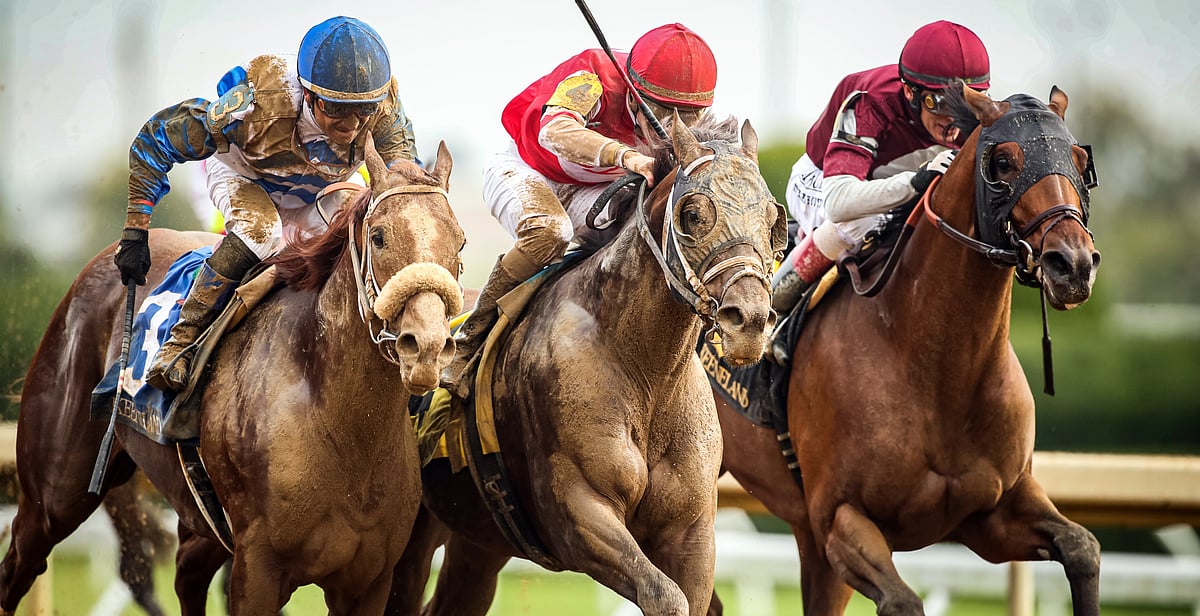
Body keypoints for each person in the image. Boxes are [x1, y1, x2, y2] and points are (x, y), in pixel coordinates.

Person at [112, 16, 422, 392]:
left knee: (361, 230)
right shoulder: (255, 101)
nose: (353, 125)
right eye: (338, 109)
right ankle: (181, 339)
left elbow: (405, 186)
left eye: (364, 110)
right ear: (308, 94)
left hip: (324, 187)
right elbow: (154, 141)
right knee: (262, 233)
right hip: (245, 176)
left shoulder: (384, 106)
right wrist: (135, 230)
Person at [441, 23, 719, 396]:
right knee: (551, 233)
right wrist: (625, 154)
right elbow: (553, 132)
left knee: (643, 229)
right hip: (526, 168)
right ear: (635, 95)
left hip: (593, 186)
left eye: (687, 117)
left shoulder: (686, 114)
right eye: (661, 112)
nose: (672, 128)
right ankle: (470, 340)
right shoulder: (594, 76)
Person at [771, 20, 991, 315]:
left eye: (965, 104)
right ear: (910, 92)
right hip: (821, 181)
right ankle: (774, 308)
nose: (953, 122)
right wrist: (916, 182)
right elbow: (838, 203)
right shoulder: (871, 101)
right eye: (938, 104)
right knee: (857, 221)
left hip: (889, 186)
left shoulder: (976, 118)